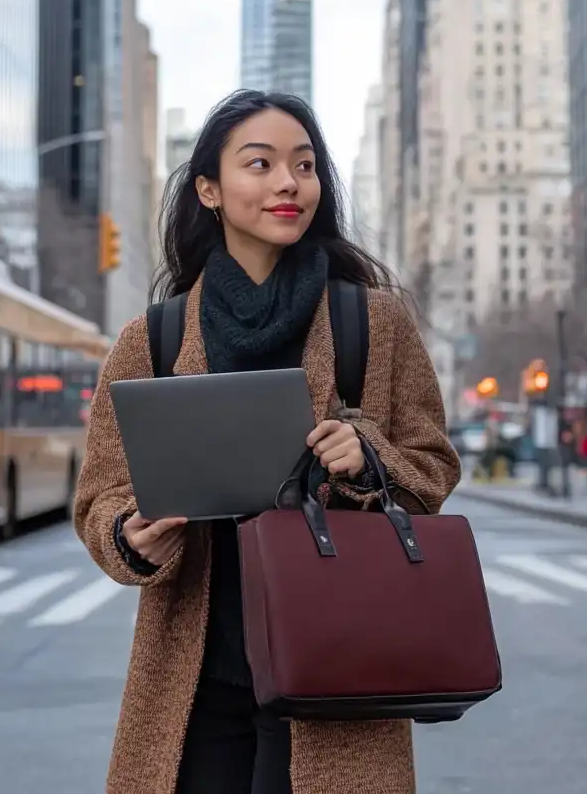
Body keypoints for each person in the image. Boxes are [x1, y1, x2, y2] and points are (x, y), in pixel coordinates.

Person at [73, 89, 461, 794]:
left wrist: (367, 455)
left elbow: (433, 467)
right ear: (210, 189)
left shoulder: (372, 322)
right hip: (195, 682)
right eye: (261, 164)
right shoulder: (152, 339)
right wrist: (131, 536)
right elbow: (99, 497)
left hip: (334, 670)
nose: (289, 183)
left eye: (305, 165)